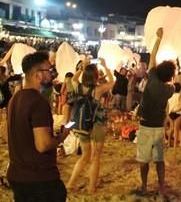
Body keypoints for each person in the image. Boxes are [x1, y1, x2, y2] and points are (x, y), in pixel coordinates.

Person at [7, 51, 69, 202]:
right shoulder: (38, 102)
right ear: (37, 74)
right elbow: (43, 145)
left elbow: (7, 133)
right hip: (40, 179)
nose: (52, 74)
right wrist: (62, 137)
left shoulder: (15, 99)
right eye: (49, 70)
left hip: (17, 175)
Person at [135, 28, 176, 197]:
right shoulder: (170, 89)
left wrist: (158, 37)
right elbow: (172, 81)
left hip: (145, 125)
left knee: (143, 161)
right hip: (159, 128)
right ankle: (161, 187)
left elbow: (152, 56)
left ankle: (144, 185)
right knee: (159, 160)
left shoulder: (151, 78)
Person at [66, 57, 115, 194]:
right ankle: (91, 187)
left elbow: (72, 79)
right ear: (96, 76)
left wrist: (82, 67)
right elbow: (112, 82)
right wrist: (105, 66)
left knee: (85, 155)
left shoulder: (78, 86)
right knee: (96, 156)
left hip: (81, 125)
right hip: (96, 125)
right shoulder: (97, 90)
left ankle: (71, 183)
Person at [166, 82, 181, 148]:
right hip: (177, 113)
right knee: (176, 130)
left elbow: (168, 106)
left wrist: (169, 112)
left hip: (170, 113)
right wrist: (176, 110)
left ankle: (168, 143)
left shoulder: (169, 96)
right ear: (180, 89)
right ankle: (174, 145)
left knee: (171, 129)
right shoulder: (180, 95)